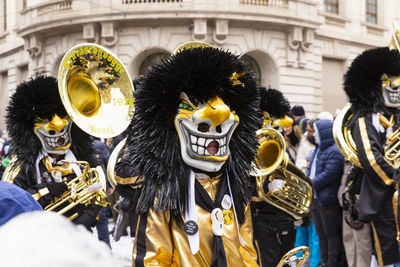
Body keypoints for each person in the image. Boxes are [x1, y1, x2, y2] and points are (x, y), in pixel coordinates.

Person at [114, 44, 260, 266]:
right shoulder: (164, 192)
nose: (215, 122)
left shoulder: (237, 188)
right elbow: (153, 260)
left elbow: (248, 253)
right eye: (190, 106)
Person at [3, 76, 103, 229]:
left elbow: (97, 196)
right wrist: (45, 191)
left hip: (80, 239)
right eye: (45, 119)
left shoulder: (85, 160)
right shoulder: (21, 167)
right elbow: (11, 204)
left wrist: (87, 218)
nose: (57, 125)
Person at [342, 46, 400, 266]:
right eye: (392, 82)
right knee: (388, 258)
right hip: (384, 198)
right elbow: (371, 158)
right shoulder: (365, 118)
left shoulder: (395, 116)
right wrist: (395, 178)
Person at [251, 87, 297, 266]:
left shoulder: (280, 146)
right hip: (262, 217)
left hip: (282, 216)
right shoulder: (248, 147)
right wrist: (264, 188)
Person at [308, 119, 344, 267]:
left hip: (327, 201)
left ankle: (331, 263)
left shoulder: (334, 151)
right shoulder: (320, 149)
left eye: (316, 132)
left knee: (331, 236)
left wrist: (309, 183)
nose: (314, 135)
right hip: (317, 199)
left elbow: (330, 173)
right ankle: (324, 262)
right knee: (321, 235)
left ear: (323, 133)